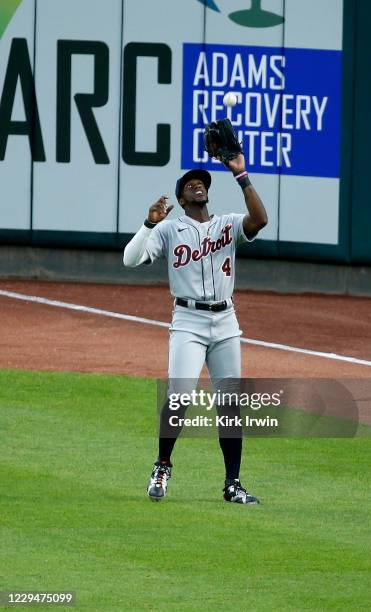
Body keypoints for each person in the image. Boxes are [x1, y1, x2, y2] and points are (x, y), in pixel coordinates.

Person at [123, 153, 268, 504]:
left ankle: (232, 483)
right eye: (190, 183)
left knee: (230, 404)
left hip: (226, 320)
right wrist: (148, 223)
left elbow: (260, 220)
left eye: (201, 181)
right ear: (182, 197)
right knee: (179, 396)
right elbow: (130, 259)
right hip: (188, 321)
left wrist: (242, 175)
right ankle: (162, 465)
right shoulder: (170, 229)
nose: (197, 183)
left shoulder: (229, 224)